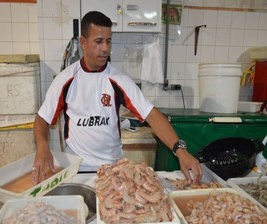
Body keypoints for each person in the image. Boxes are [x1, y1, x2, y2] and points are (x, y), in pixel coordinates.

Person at [32, 11, 203, 185]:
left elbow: (152, 116)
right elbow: (42, 119)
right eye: (98, 41)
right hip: (77, 170)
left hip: (112, 170)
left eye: (108, 41)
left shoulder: (118, 80)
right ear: (83, 42)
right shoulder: (66, 79)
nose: (105, 48)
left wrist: (181, 152)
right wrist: (43, 146)